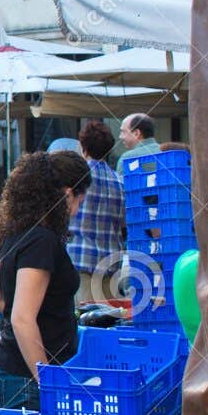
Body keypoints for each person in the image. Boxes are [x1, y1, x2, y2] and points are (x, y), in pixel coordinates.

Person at [0, 150, 90, 410]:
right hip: (26, 379)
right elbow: (21, 318)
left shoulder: (20, 234)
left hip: (12, 371)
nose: (77, 211)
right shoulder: (41, 241)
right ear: (67, 194)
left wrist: (40, 316)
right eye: (80, 201)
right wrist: (47, 381)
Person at [68, 119, 126, 304]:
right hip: (111, 264)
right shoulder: (120, 181)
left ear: (83, 147)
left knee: (83, 321)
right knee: (108, 322)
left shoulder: (76, 178)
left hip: (81, 261)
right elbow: (124, 224)